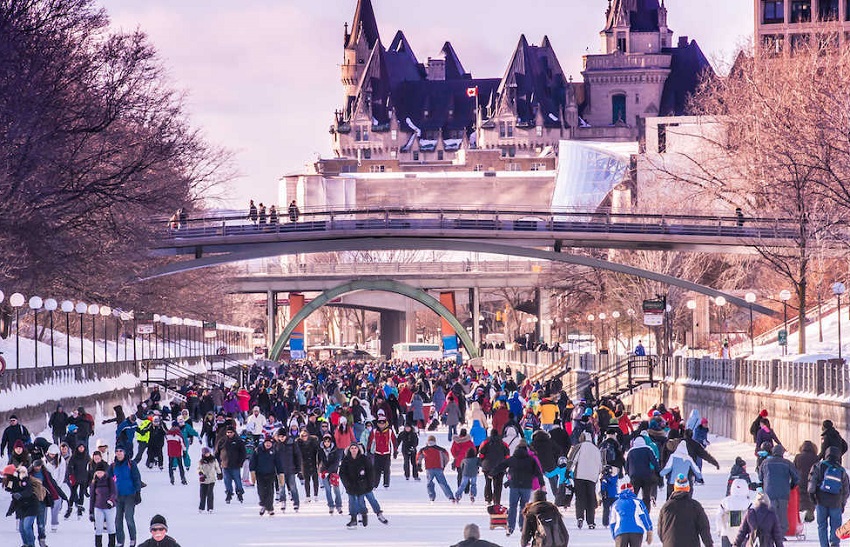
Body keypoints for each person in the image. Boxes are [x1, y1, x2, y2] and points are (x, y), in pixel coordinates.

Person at [492, 442, 545, 537]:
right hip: (526, 487)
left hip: (514, 486)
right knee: (524, 507)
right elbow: (538, 473)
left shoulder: (512, 459)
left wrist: (492, 473)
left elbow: (501, 466)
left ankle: (510, 527)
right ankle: (522, 526)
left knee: (512, 506)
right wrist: (542, 484)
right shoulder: (531, 460)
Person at [808, 445, 850, 547]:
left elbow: (811, 483)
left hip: (821, 501)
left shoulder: (818, 466)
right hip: (836, 502)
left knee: (822, 525)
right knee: (836, 525)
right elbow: (846, 490)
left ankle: (824, 545)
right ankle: (834, 543)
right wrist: (842, 503)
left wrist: (812, 497)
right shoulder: (841, 470)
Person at [339, 443, 387, 528]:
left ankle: (378, 513)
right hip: (351, 485)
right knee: (352, 501)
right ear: (349, 450)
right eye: (352, 448)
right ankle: (354, 518)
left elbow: (370, 471)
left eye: (355, 448)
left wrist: (370, 484)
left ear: (358, 450)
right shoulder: (346, 460)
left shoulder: (364, 459)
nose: (354, 450)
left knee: (370, 499)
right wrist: (347, 484)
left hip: (364, 484)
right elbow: (342, 473)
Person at [658, 474, 713, 547]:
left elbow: (660, 530)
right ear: (688, 488)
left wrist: (667, 541)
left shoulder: (666, 507)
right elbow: (704, 527)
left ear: (675, 488)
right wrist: (709, 544)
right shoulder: (695, 506)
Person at [758, 444, 798, 536]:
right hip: (783, 492)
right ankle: (780, 534)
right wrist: (791, 486)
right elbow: (796, 478)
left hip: (769, 493)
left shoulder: (765, 463)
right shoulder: (787, 463)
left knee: (771, 513)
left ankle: (770, 533)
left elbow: (760, 476)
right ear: (782, 453)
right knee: (782, 514)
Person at [568, 432, 602, 529]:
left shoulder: (579, 446)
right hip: (592, 478)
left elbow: (573, 458)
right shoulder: (596, 449)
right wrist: (597, 474)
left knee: (580, 498)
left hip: (579, 476)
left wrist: (568, 470)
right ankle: (591, 521)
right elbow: (600, 465)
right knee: (591, 499)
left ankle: (580, 517)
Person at [110, 446, 141, 547]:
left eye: (121, 451)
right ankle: (120, 541)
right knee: (118, 520)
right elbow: (108, 480)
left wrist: (138, 493)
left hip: (130, 495)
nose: (118, 453)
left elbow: (136, 478)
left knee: (129, 518)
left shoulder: (131, 464)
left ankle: (132, 539)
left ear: (124, 453)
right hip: (117, 497)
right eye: (117, 451)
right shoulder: (113, 466)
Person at [610, 482, 653, 547]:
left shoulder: (616, 504)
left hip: (620, 531)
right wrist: (649, 530)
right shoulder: (638, 502)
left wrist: (614, 535)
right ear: (632, 491)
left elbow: (612, 522)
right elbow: (645, 517)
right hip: (636, 531)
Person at [417, 435, 456, 503]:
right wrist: (443, 465)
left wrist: (419, 465)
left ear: (427, 441)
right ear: (435, 441)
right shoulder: (440, 449)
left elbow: (418, 457)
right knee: (443, 483)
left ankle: (432, 497)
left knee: (429, 483)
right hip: (438, 468)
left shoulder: (423, 449)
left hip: (429, 469)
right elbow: (446, 457)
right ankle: (451, 497)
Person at [249, 436, 281, 516]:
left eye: (270, 443)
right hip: (260, 474)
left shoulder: (274, 451)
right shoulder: (258, 450)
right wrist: (252, 472)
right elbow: (252, 462)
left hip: (271, 474)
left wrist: (281, 473)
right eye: (267, 442)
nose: (268, 444)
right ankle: (263, 505)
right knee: (261, 491)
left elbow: (278, 463)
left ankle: (270, 508)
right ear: (264, 443)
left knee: (270, 492)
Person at [215, 426, 246, 504]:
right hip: (225, 465)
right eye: (228, 432)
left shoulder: (238, 441)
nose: (229, 434)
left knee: (237, 480)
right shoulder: (222, 441)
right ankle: (228, 493)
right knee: (227, 481)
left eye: (231, 432)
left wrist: (240, 462)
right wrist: (219, 463)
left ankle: (239, 493)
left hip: (236, 465)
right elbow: (217, 453)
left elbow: (243, 453)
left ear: (234, 432)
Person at [89, 460, 117, 547]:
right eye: (98, 472)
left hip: (109, 507)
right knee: (98, 528)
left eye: (101, 472)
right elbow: (92, 497)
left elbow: (114, 492)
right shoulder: (94, 482)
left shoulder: (109, 480)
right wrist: (91, 512)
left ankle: (111, 544)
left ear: (104, 472)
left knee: (111, 527)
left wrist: (111, 501)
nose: (99, 474)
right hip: (98, 507)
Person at [479, 428, 510, 506]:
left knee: (488, 482)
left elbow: (481, 454)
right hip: (500, 467)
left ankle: (488, 498)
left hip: (487, 467)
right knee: (498, 484)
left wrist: (483, 461)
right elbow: (507, 455)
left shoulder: (486, 442)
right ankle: (497, 500)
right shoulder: (503, 443)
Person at [272, 427, 301, 512]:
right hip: (280, 471)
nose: (281, 438)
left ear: (286, 436)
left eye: (283, 436)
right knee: (281, 487)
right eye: (280, 436)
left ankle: (296, 502)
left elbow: (297, 456)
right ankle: (283, 501)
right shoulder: (276, 445)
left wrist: (298, 468)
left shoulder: (292, 443)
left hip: (290, 469)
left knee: (293, 487)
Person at [717, 478, 752, 547]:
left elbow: (719, 516)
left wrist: (719, 529)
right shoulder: (749, 503)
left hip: (726, 533)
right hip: (744, 534)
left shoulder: (725, 502)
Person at [794, 441, 820, 522]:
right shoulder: (816, 458)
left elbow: (794, 469)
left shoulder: (798, 457)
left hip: (800, 480)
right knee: (811, 497)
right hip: (812, 481)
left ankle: (801, 512)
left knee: (801, 497)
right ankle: (810, 515)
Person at [317, 434, 343, 514]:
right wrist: (320, 471)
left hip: (333, 472)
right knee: (327, 490)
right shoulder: (320, 450)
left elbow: (336, 462)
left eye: (328, 441)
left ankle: (338, 505)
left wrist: (329, 471)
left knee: (336, 489)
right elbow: (319, 461)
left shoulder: (335, 450)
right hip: (324, 472)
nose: (327, 443)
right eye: (325, 441)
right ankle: (331, 505)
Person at [197, 446, 221, 513]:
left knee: (210, 493)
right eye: (206, 453)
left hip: (211, 480)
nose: (207, 454)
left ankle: (210, 508)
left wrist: (219, 474)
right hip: (203, 480)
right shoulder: (201, 461)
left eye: (208, 453)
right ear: (203, 454)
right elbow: (199, 468)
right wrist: (200, 474)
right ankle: (201, 508)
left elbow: (217, 467)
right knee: (202, 494)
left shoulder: (214, 460)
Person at [165, 421, 186, 485]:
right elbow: (182, 443)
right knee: (180, 465)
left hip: (170, 451)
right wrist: (184, 451)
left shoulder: (168, 434)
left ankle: (171, 477)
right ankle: (183, 478)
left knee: (170, 465)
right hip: (178, 452)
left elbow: (167, 441)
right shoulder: (179, 434)